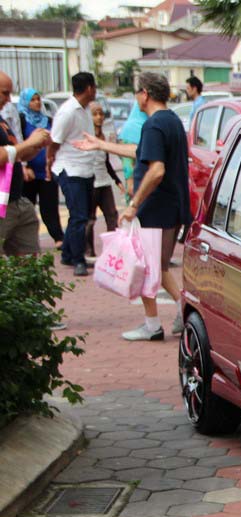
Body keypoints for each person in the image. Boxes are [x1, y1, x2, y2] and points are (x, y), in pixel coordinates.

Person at [75, 72, 190, 341]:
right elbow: (141, 153)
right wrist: (101, 144)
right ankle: (181, 311)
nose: (136, 97)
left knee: (147, 267)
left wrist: (134, 204)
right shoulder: (172, 121)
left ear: (145, 94)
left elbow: (156, 169)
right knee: (158, 268)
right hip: (171, 208)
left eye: (137, 91)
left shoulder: (153, 125)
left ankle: (154, 325)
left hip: (154, 210)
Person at [48, 71, 97, 276]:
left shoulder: (85, 109)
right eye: (94, 87)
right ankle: (78, 260)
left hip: (86, 169)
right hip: (70, 170)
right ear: (89, 88)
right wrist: (49, 163)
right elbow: (54, 141)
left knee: (81, 215)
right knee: (78, 216)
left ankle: (68, 253)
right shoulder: (67, 111)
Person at [0, 71, 51, 256]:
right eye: (4, 93)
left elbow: (15, 153)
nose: (8, 99)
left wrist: (36, 146)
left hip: (15, 199)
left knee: (28, 263)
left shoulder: (3, 121)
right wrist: (30, 143)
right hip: (3, 204)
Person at [17, 88, 62, 250]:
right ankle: (27, 240)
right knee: (27, 208)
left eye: (38, 99)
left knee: (50, 206)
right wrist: (24, 166)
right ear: (26, 102)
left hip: (47, 171)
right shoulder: (21, 120)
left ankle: (58, 237)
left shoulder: (48, 120)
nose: (37, 102)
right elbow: (19, 143)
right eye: (32, 100)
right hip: (29, 172)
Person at [85, 102, 122, 258]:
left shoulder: (103, 137)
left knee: (112, 216)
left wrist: (117, 180)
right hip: (90, 184)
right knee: (90, 219)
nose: (99, 117)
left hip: (104, 182)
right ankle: (89, 251)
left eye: (101, 114)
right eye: (95, 114)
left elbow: (106, 162)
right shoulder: (85, 135)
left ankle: (112, 251)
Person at [118, 100, 147, 200]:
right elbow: (128, 164)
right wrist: (130, 181)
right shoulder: (131, 130)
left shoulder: (149, 124)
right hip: (135, 183)